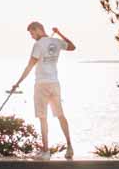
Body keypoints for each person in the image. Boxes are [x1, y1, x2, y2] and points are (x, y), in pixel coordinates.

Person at [11, 22, 75, 160]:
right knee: (60, 115)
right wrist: (59, 33)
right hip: (55, 84)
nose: (32, 36)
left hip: (41, 85)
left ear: (38, 29)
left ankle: (46, 152)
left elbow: (29, 66)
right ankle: (69, 147)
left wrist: (18, 83)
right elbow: (72, 47)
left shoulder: (38, 45)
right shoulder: (56, 41)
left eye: (32, 33)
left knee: (43, 118)